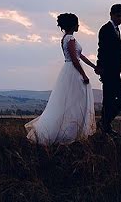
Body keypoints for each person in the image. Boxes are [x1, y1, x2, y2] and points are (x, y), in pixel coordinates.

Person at [25, 12, 97, 144]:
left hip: (68, 70)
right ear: (73, 25)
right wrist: (84, 75)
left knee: (69, 102)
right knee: (75, 103)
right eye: (77, 23)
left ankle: (70, 132)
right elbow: (75, 60)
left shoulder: (65, 38)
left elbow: (80, 56)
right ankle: (70, 134)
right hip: (73, 72)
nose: (79, 25)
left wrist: (93, 66)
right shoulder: (70, 39)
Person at [95, 3, 121, 135]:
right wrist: (100, 67)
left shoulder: (117, 29)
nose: (120, 19)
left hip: (115, 72)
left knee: (109, 100)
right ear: (111, 14)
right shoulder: (106, 29)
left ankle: (105, 126)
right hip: (108, 72)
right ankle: (104, 123)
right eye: (118, 16)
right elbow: (101, 50)